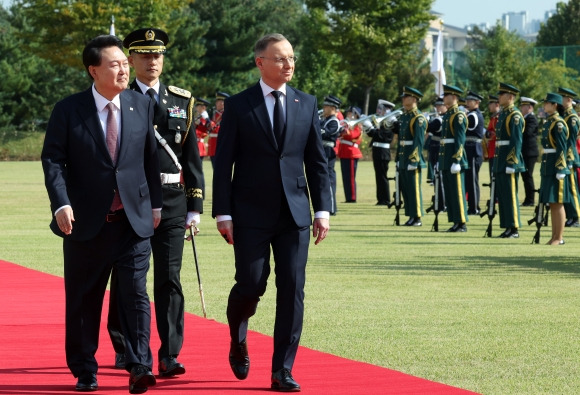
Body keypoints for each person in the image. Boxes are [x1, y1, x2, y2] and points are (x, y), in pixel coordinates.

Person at [41, 34, 162, 394]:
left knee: (135, 294)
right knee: (84, 299)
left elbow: (149, 158)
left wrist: (155, 204)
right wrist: (61, 203)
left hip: (132, 220)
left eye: (126, 63)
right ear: (94, 70)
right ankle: (84, 369)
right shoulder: (69, 109)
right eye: (115, 64)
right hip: (85, 222)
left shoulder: (140, 105)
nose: (125, 69)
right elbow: (53, 160)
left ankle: (140, 365)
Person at [212, 33, 331, 392]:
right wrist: (223, 213)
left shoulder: (306, 102)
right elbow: (223, 163)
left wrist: (323, 209)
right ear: (259, 62)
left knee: (293, 288)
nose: (288, 64)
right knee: (252, 282)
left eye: (291, 58)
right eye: (280, 58)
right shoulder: (239, 105)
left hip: (295, 213)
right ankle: (238, 334)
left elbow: (318, 161)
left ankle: (282, 370)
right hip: (249, 213)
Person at [105, 27, 205, 378]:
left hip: (174, 200)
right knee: (128, 278)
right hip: (132, 202)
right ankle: (125, 345)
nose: (152, 61)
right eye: (145, 55)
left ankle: (169, 353)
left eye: (157, 54)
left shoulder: (182, 100)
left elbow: (191, 158)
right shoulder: (119, 96)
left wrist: (195, 205)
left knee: (169, 277)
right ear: (130, 59)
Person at [493, 82, 525, 239]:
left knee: (511, 194)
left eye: (502, 94)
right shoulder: (504, 114)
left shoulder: (515, 115)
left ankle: (514, 227)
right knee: (503, 195)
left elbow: (516, 141)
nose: (499, 97)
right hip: (500, 159)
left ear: (511, 97)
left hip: (508, 160)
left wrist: (512, 162)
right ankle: (507, 226)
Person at [539, 92, 570, 245]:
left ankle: (559, 237)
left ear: (555, 105)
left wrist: (560, 168)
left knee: (558, 202)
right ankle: (554, 236)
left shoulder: (558, 124)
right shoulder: (549, 122)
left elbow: (562, 149)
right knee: (552, 202)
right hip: (547, 165)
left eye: (547, 103)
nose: (544, 105)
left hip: (555, 166)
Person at [439, 84, 469, 232]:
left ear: (454, 97)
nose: (444, 98)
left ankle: (462, 222)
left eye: (446, 95)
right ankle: (455, 221)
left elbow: (459, 139)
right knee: (450, 192)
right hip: (446, 159)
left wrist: (457, 160)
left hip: (454, 159)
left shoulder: (458, 115)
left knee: (457, 191)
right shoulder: (448, 114)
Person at [396, 86, 427, 226]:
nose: (403, 99)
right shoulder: (404, 116)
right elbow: (401, 140)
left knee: (414, 188)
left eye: (405, 97)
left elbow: (418, 142)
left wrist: (414, 159)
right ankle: (410, 215)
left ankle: (417, 216)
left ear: (414, 99)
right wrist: (398, 158)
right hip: (403, 157)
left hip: (411, 158)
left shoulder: (418, 118)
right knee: (406, 189)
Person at [366, 99, 396, 205]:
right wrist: (368, 128)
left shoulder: (389, 122)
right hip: (377, 150)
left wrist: (372, 129)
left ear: (387, 110)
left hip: (383, 152)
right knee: (378, 176)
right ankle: (380, 199)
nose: (379, 111)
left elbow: (383, 136)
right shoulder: (381, 121)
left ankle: (386, 199)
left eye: (381, 109)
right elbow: (372, 135)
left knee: (383, 176)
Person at [558, 87, 580, 227]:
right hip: (564, 157)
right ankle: (571, 215)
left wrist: (570, 159)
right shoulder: (565, 115)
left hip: (569, 156)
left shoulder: (572, 117)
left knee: (572, 188)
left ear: (569, 100)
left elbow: (571, 141)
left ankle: (577, 216)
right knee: (567, 188)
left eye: (562, 98)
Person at [319, 94, 342, 214]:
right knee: (323, 180)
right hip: (322, 150)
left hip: (328, 151)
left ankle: (331, 208)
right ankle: (325, 205)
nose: (323, 108)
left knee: (328, 179)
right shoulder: (324, 120)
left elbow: (324, 133)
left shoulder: (334, 121)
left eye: (326, 106)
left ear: (333, 107)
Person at [464, 91, 485, 215]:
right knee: (469, 179)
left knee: (472, 180)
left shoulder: (473, 115)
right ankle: (472, 206)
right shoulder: (471, 114)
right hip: (470, 148)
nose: (467, 103)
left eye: (470, 101)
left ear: (477, 102)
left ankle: (474, 207)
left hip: (473, 149)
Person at [338, 106, 363, 202]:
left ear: (355, 115)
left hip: (352, 153)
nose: (347, 114)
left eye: (350, 113)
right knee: (346, 177)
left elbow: (353, 135)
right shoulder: (347, 124)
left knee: (351, 177)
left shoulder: (357, 125)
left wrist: (347, 129)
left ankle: (352, 198)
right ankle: (348, 197)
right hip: (344, 152)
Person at [519, 96, 540, 207]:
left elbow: (527, 133)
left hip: (529, 152)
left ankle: (530, 200)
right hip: (525, 151)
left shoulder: (531, 119)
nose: (521, 108)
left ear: (530, 108)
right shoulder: (525, 118)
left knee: (528, 176)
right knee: (525, 176)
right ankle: (528, 199)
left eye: (524, 106)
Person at [426, 97, 447, 184]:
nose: (437, 108)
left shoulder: (441, 119)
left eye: (440, 106)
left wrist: (425, 120)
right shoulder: (438, 118)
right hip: (434, 145)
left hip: (439, 146)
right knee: (435, 167)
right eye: (437, 106)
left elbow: (428, 128)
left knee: (438, 169)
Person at [208, 91, 230, 168]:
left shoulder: (228, 114)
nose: (216, 103)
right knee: (214, 168)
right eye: (217, 101)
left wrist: (213, 125)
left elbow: (227, 128)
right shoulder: (213, 113)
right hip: (212, 144)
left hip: (222, 143)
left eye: (218, 101)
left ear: (223, 103)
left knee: (222, 169)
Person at [485, 95, 500, 179]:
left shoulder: (499, 117)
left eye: (491, 103)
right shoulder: (493, 117)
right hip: (491, 151)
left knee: (495, 179)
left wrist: (489, 134)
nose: (489, 106)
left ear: (497, 104)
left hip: (496, 151)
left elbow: (495, 133)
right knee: (492, 178)